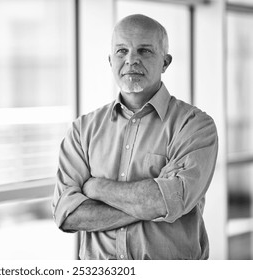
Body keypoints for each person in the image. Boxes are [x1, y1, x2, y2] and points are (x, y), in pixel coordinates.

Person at [51, 14, 218, 260]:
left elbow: (166, 201)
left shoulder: (194, 126)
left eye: (144, 51)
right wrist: (149, 202)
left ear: (165, 62)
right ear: (110, 60)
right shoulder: (82, 130)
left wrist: (96, 187)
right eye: (121, 51)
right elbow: (68, 215)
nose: (131, 60)